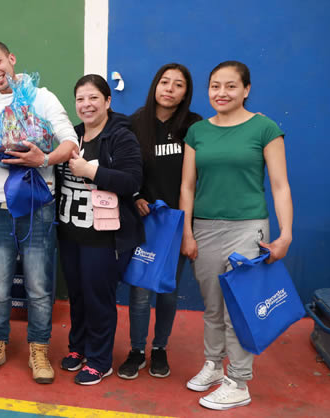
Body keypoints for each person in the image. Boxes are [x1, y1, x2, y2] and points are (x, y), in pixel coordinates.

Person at [179, 61, 293, 410]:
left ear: (246, 89)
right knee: (212, 307)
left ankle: (239, 381)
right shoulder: (198, 131)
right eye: (215, 86)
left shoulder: (264, 128)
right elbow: (187, 186)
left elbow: (279, 185)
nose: (221, 93)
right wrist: (187, 232)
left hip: (248, 229)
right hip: (206, 228)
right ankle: (214, 366)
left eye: (230, 86)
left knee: (238, 310)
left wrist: (285, 234)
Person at [0, 40, 79, 384]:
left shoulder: (41, 98)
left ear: (11, 59)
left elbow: (70, 142)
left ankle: (39, 348)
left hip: (36, 203)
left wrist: (41, 159)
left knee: (40, 286)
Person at [56, 74, 144, 386]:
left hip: (104, 238)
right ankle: (78, 347)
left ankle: (99, 360)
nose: (86, 104)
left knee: (98, 298)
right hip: (69, 233)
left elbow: (132, 181)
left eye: (93, 98)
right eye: (80, 99)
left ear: (108, 101)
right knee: (77, 296)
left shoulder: (121, 136)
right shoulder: (72, 136)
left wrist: (91, 170)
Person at [117, 64, 202, 380]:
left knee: (167, 290)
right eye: (165, 82)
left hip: (177, 222)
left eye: (178, 85)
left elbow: (194, 179)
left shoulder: (193, 126)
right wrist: (136, 196)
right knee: (140, 291)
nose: (170, 88)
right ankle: (137, 350)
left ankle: (160, 348)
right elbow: (126, 169)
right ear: (155, 85)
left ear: (185, 93)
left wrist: (188, 225)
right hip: (144, 221)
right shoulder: (136, 123)